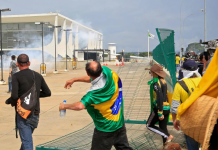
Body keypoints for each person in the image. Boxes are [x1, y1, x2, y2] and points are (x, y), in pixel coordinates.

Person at [59, 61, 133, 150]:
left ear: (87, 73)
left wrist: (64, 106)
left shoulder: (93, 94)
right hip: (119, 123)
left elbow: (80, 106)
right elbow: (94, 78)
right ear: (101, 68)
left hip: (105, 129)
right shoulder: (111, 74)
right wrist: (75, 79)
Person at [5, 54, 51, 150]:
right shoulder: (37, 75)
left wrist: (11, 102)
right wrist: (34, 95)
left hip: (23, 114)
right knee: (26, 140)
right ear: (29, 63)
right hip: (35, 113)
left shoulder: (16, 76)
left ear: (17, 64)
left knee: (27, 143)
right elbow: (47, 92)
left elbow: (14, 96)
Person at [170, 60, 201, 150]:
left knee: (192, 146)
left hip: (188, 121)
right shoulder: (204, 81)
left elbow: (174, 107)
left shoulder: (179, 85)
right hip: (204, 118)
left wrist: (175, 120)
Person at [146, 64, 173, 145]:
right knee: (163, 129)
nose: (150, 74)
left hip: (159, 108)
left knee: (149, 125)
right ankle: (166, 146)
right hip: (166, 107)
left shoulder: (156, 83)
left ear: (155, 73)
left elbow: (160, 97)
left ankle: (168, 136)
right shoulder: (163, 81)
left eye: (151, 72)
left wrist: (160, 112)